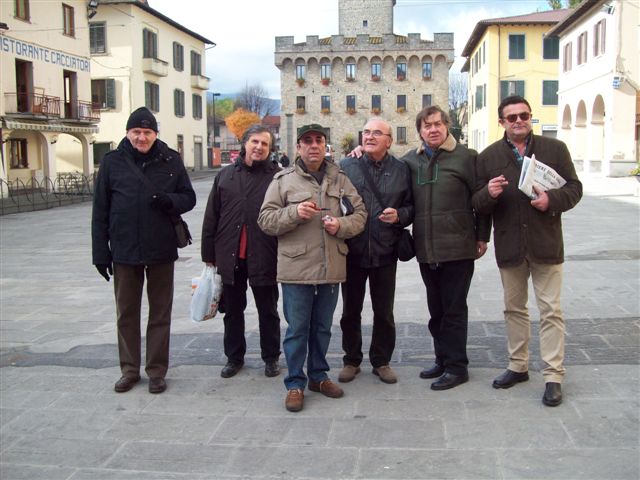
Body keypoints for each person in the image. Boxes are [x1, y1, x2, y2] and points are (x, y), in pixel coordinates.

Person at [472, 95, 582, 407]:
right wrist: (488, 195)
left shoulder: (554, 149)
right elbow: (478, 204)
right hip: (510, 245)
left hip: (546, 243)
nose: (519, 121)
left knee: (551, 311)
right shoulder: (488, 157)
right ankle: (518, 365)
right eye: (512, 117)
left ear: (530, 117)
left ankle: (553, 375)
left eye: (524, 115)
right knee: (514, 309)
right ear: (501, 122)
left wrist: (551, 201)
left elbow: (574, 188)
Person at [258, 124, 367, 412]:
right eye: (307, 141)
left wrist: (340, 225)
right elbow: (265, 220)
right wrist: (294, 212)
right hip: (296, 268)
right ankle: (295, 383)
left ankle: (318, 376)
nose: (314, 145)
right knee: (297, 330)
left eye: (319, 140)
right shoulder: (283, 180)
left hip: (331, 266)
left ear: (325, 146)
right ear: (299, 147)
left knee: (322, 328)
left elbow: (360, 215)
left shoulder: (340, 179)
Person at [92, 107, 196, 394]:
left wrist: (170, 200)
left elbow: (189, 197)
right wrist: (100, 253)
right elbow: (100, 210)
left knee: (160, 313)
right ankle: (129, 370)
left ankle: (156, 371)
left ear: (155, 134)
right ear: (127, 132)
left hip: (161, 247)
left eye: (147, 132)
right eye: (136, 132)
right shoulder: (112, 162)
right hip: (124, 249)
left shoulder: (171, 159)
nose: (141, 137)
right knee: (126, 313)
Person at [401, 105, 490, 390]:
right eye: (427, 126)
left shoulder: (467, 158)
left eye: (438, 124)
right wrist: (358, 152)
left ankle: (457, 367)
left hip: (458, 248)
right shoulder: (410, 161)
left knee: (454, 311)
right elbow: (387, 171)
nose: (433, 130)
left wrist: (482, 236)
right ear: (420, 131)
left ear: (447, 126)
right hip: (426, 249)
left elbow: (482, 200)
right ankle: (442, 359)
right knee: (436, 311)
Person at [201, 125, 282, 379]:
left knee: (268, 311)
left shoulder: (278, 177)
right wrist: (208, 255)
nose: (259, 147)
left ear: (270, 149)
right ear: (245, 143)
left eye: (265, 144)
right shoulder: (225, 175)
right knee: (232, 311)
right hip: (231, 254)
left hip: (265, 254)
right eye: (255, 141)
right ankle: (234, 357)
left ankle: (271, 357)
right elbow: (211, 216)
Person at [338, 118, 414, 385]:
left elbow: (412, 206)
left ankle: (381, 361)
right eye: (366, 132)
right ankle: (351, 360)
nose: (369, 136)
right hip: (353, 250)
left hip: (385, 251)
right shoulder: (347, 165)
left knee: (384, 312)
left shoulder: (401, 169)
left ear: (389, 141)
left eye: (377, 133)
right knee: (350, 311)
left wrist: (400, 215)